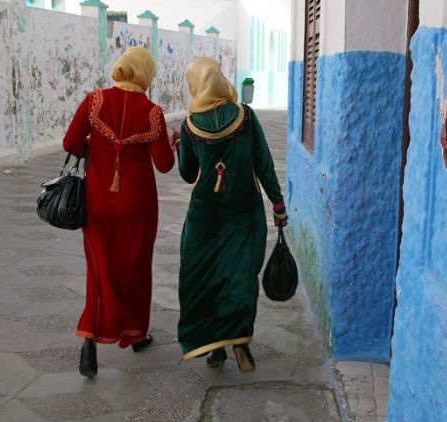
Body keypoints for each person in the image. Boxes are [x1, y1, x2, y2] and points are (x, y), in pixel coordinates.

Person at [61, 47, 175, 377]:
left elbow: (70, 142)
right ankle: (136, 334)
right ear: (145, 73)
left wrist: (96, 148)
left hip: (98, 202)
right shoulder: (153, 112)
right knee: (135, 267)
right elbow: (164, 165)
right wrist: (174, 142)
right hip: (139, 205)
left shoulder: (94, 100)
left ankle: (90, 344)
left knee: (99, 269)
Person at [173, 57, 287, 372]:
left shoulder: (189, 125)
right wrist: (278, 206)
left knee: (206, 275)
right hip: (244, 212)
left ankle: (214, 347)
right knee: (239, 275)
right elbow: (264, 164)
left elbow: (187, 173)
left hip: (204, 216)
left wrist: (181, 146)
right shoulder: (245, 117)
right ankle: (239, 340)